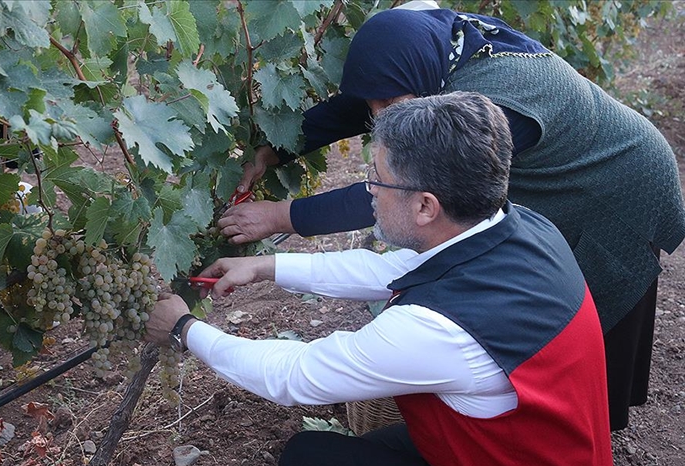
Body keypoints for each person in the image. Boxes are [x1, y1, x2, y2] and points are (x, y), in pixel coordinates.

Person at [217, 4, 685, 431]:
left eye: (388, 106)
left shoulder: (492, 106)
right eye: (374, 106)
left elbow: (396, 194)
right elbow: (378, 90)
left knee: (580, 302)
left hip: (622, 184)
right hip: (596, 159)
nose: (376, 118)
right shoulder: (435, 48)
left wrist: (283, 215)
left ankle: (575, 425)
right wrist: (273, 152)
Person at [146, 92, 615, 466]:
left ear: (426, 207)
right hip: (540, 460)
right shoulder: (519, 227)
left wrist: (185, 328)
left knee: (309, 461)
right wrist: (267, 266)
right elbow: (389, 270)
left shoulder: (439, 330)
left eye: (378, 179)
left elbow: (295, 376)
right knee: (375, 449)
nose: (368, 189)